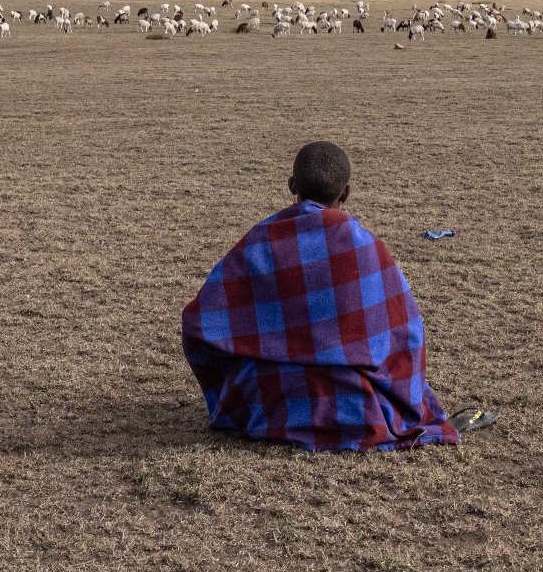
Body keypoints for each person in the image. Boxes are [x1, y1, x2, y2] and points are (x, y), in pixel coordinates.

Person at [181, 142, 462, 451]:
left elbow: (199, 324)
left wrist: (236, 378)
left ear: (291, 186)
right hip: (359, 405)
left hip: (271, 402)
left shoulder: (260, 243)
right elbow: (406, 336)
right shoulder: (366, 248)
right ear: (346, 193)